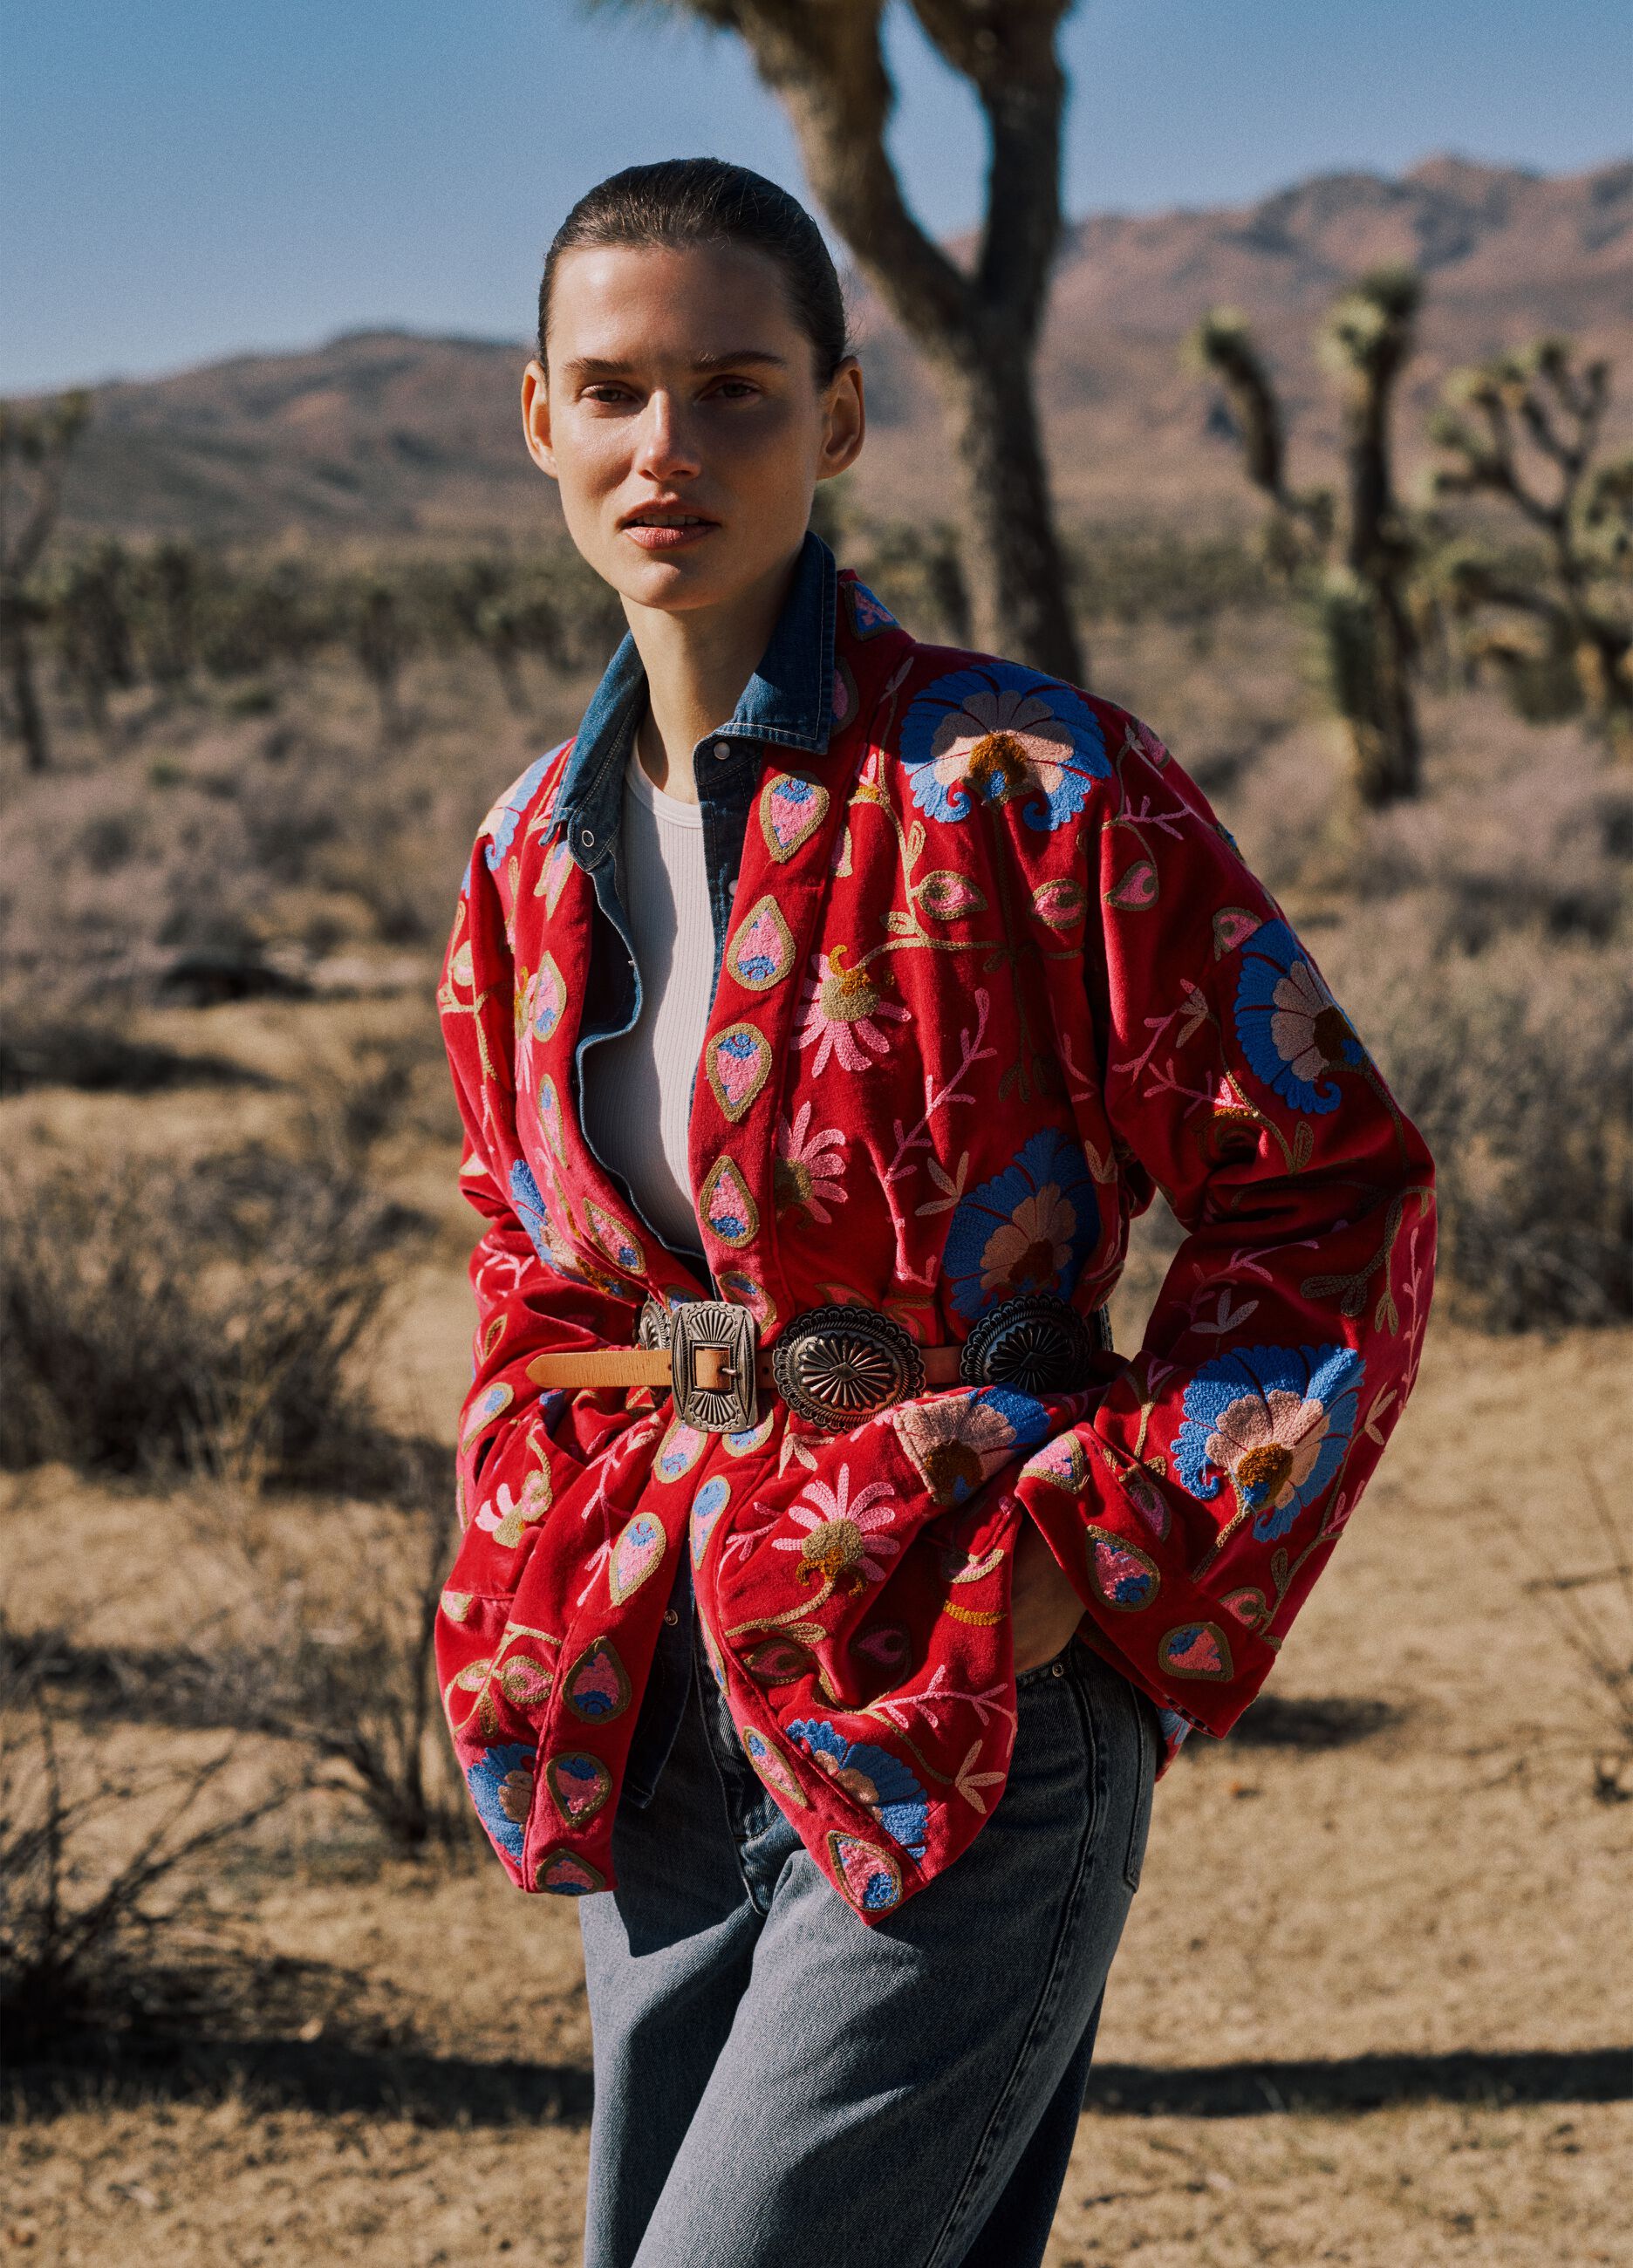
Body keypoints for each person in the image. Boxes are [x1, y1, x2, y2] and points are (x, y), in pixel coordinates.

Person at [434, 158, 1435, 2268]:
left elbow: (1333, 1192)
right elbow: (531, 1269)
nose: (667, 451)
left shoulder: (1027, 784)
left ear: (843, 412)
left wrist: (1094, 1548)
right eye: (614, 393)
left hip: (969, 1680)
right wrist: (535, 1532)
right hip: (658, 1694)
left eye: (733, 388)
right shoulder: (530, 851)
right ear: (539, 420)